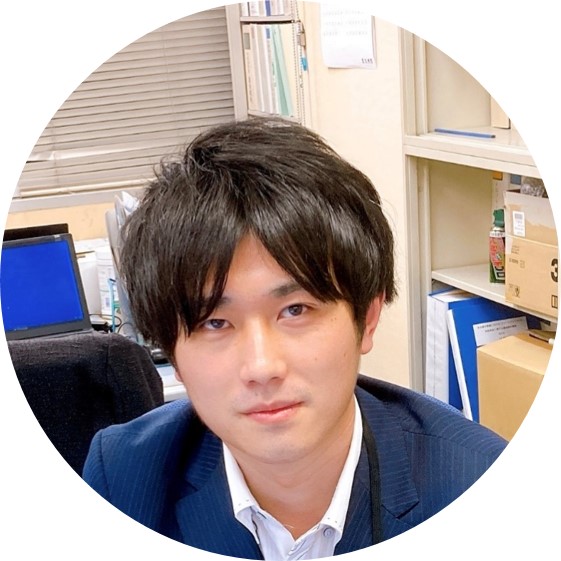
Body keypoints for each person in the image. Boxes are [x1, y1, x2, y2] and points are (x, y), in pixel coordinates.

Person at [82, 117, 507, 558]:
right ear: (170, 348)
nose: (262, 367)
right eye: (214, 322)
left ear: (367, 317)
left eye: (295, 310)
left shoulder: (478, 486)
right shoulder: (123, 479)